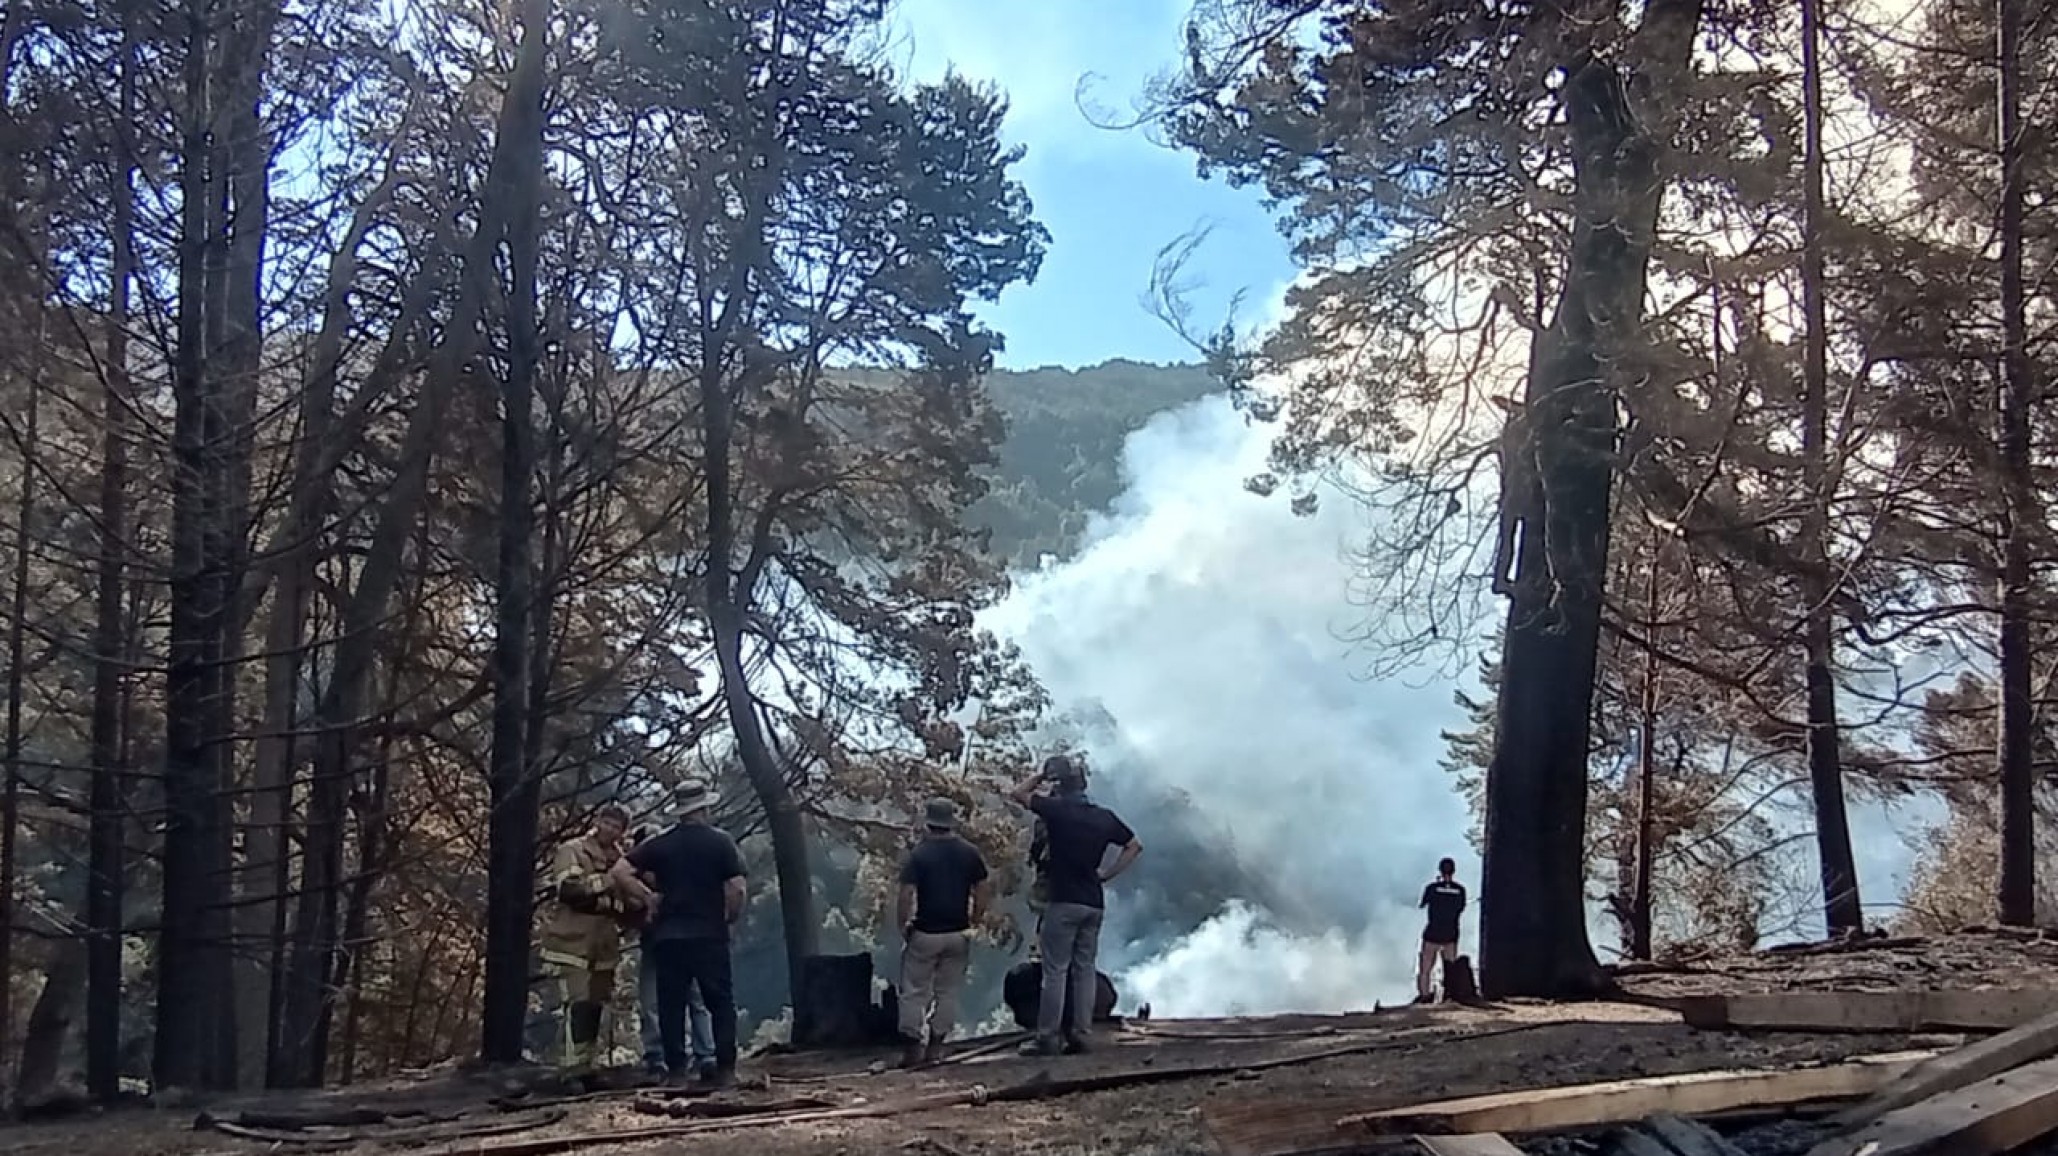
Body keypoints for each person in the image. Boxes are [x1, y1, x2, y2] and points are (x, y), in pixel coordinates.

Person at [611, 779, 747, 1088]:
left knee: (671, 1005)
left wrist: (647, 897)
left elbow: (619, 871)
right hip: (709, 933)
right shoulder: (721, 842)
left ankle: (676, 1072)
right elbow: (737, 888)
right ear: (704, 808)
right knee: (720, 1003)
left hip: (669, 936)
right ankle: (725, 1070)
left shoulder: (661, 844)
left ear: (680, 811)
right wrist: (729, 917)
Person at [1009, 755, 1141, 1057]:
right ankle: (1081, 1034)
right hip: (1094, 901)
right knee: (1084, 970)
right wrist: (1107, 874)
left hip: (1063, 900)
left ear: (1061, 786)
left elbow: (1017, 794)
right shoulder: (1104, 817)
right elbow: (1135, 845)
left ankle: (1048, 1037)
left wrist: (1041, 775)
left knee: (1055, 970)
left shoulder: (1058, 811)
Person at [538, 804, 634, 1081]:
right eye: (608, 823)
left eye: (617, 827)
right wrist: (607, 881)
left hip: (603, 943)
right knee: (577, 1003)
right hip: (572, 940)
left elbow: (626, 900)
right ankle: (571, 1069)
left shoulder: (620, 858)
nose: (611, 830)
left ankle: (585, 1064)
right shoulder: (573, 850)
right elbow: (570, 891)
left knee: (594, 1004)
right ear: (597, 821)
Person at [894, 797, 991, 1069]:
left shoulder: (920, 854)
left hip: (925, 931)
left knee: (914, 991)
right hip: (958, 932)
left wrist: (903, 925)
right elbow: (983, 887)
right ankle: (936, 1046)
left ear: (929, 823)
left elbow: (906, 894)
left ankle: (913, 1047)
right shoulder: (969, 853)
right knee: (948, 991)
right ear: (951, 822)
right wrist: (975, 918)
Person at [628, 824, 715, 1081]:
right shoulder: (637, 877)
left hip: (681, 940)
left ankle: (704, 1056)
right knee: (654, 1002)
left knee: (695, 999)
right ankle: (659, 1057)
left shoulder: (674, 868)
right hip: (659, 943)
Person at [1417, 857, 1468, 1003]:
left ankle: (1425, 995)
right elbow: (1461, 908)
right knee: (1450, 969)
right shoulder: (1460, 890)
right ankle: (1449, 996)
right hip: (1450, 935)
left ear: (1440, 870)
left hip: (1432, 934)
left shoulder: (1432, 888)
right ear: (1454, 871)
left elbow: (1422, 904)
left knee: (1425, 969)